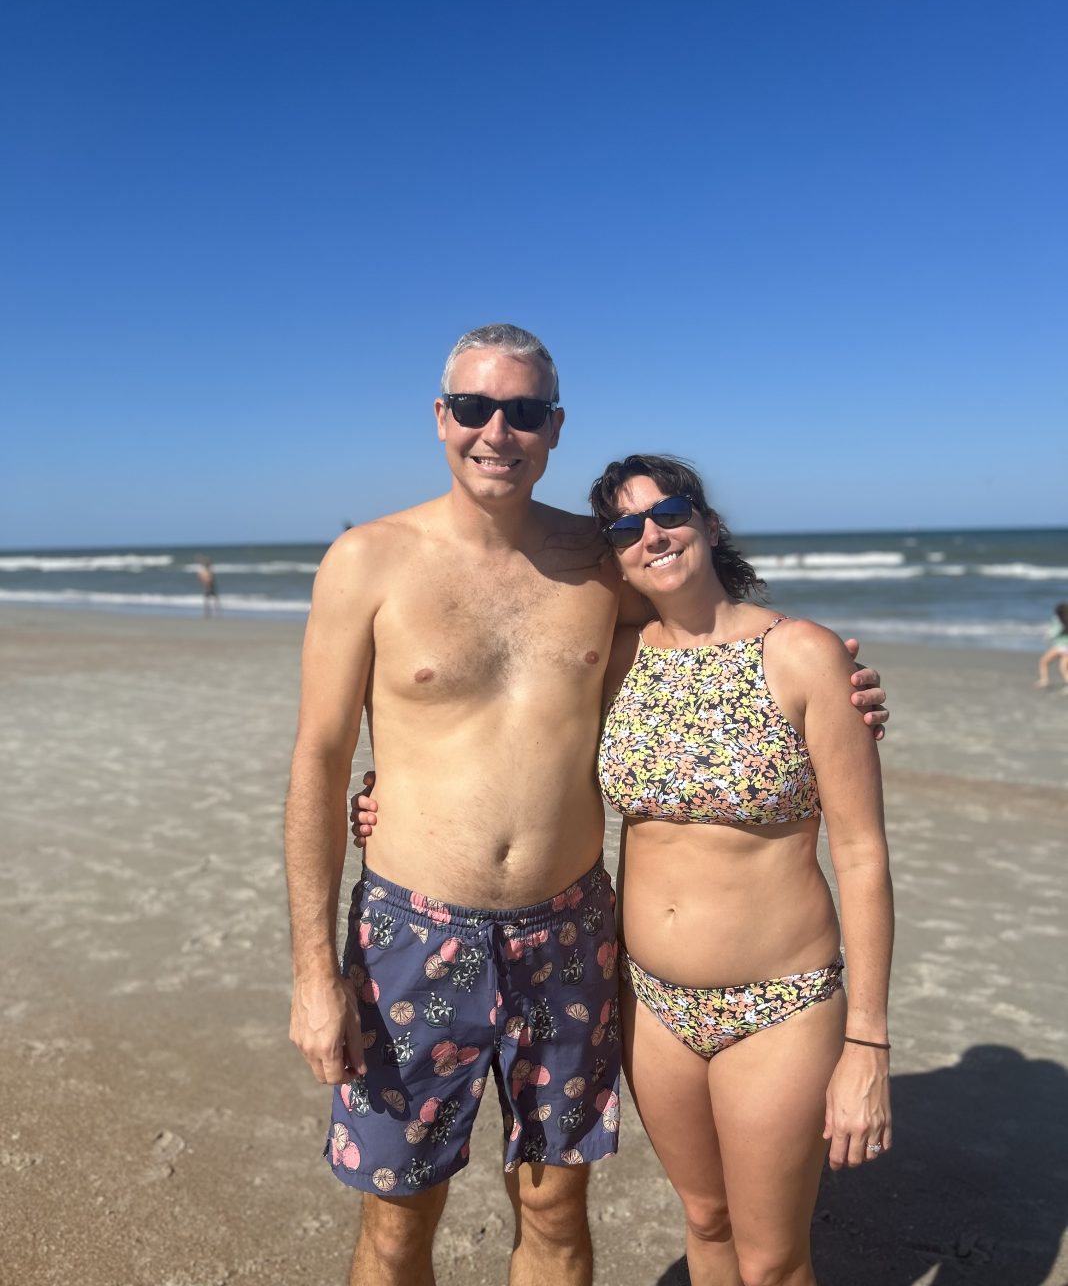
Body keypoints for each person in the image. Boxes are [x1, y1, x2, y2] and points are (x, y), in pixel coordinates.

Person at [285, 324, 888, 1286]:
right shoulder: (367, 560)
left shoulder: (597, 563)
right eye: (475, 408)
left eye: (522, 412)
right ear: (441, 418)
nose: (498, 431)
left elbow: (714, 635)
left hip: (567, 933)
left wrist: (838, 680)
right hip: (411, 929)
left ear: (553, 428)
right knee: (398, 1222)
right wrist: (316, 974)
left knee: (557, 1212)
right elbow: (318, 764)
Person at [591, 454, 893, 1286]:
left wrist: (867, 1041)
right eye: (625, 528)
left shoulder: (800, 653)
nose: (651, 534)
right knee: (707, 1220)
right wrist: (379, 794)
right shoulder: (615, 662)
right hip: (651, 1001)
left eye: (669, 512)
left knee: (771, 1261)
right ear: (615, 560)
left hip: (780, 1004)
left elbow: (862, 853)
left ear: (709, 523)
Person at [1034, 603, 1068, 691]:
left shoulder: (1058, 621)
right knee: (1063, 668)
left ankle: (1044, 680)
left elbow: (1052, 633)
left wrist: (1047, 638)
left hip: (1060, 647)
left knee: (1043, 661)